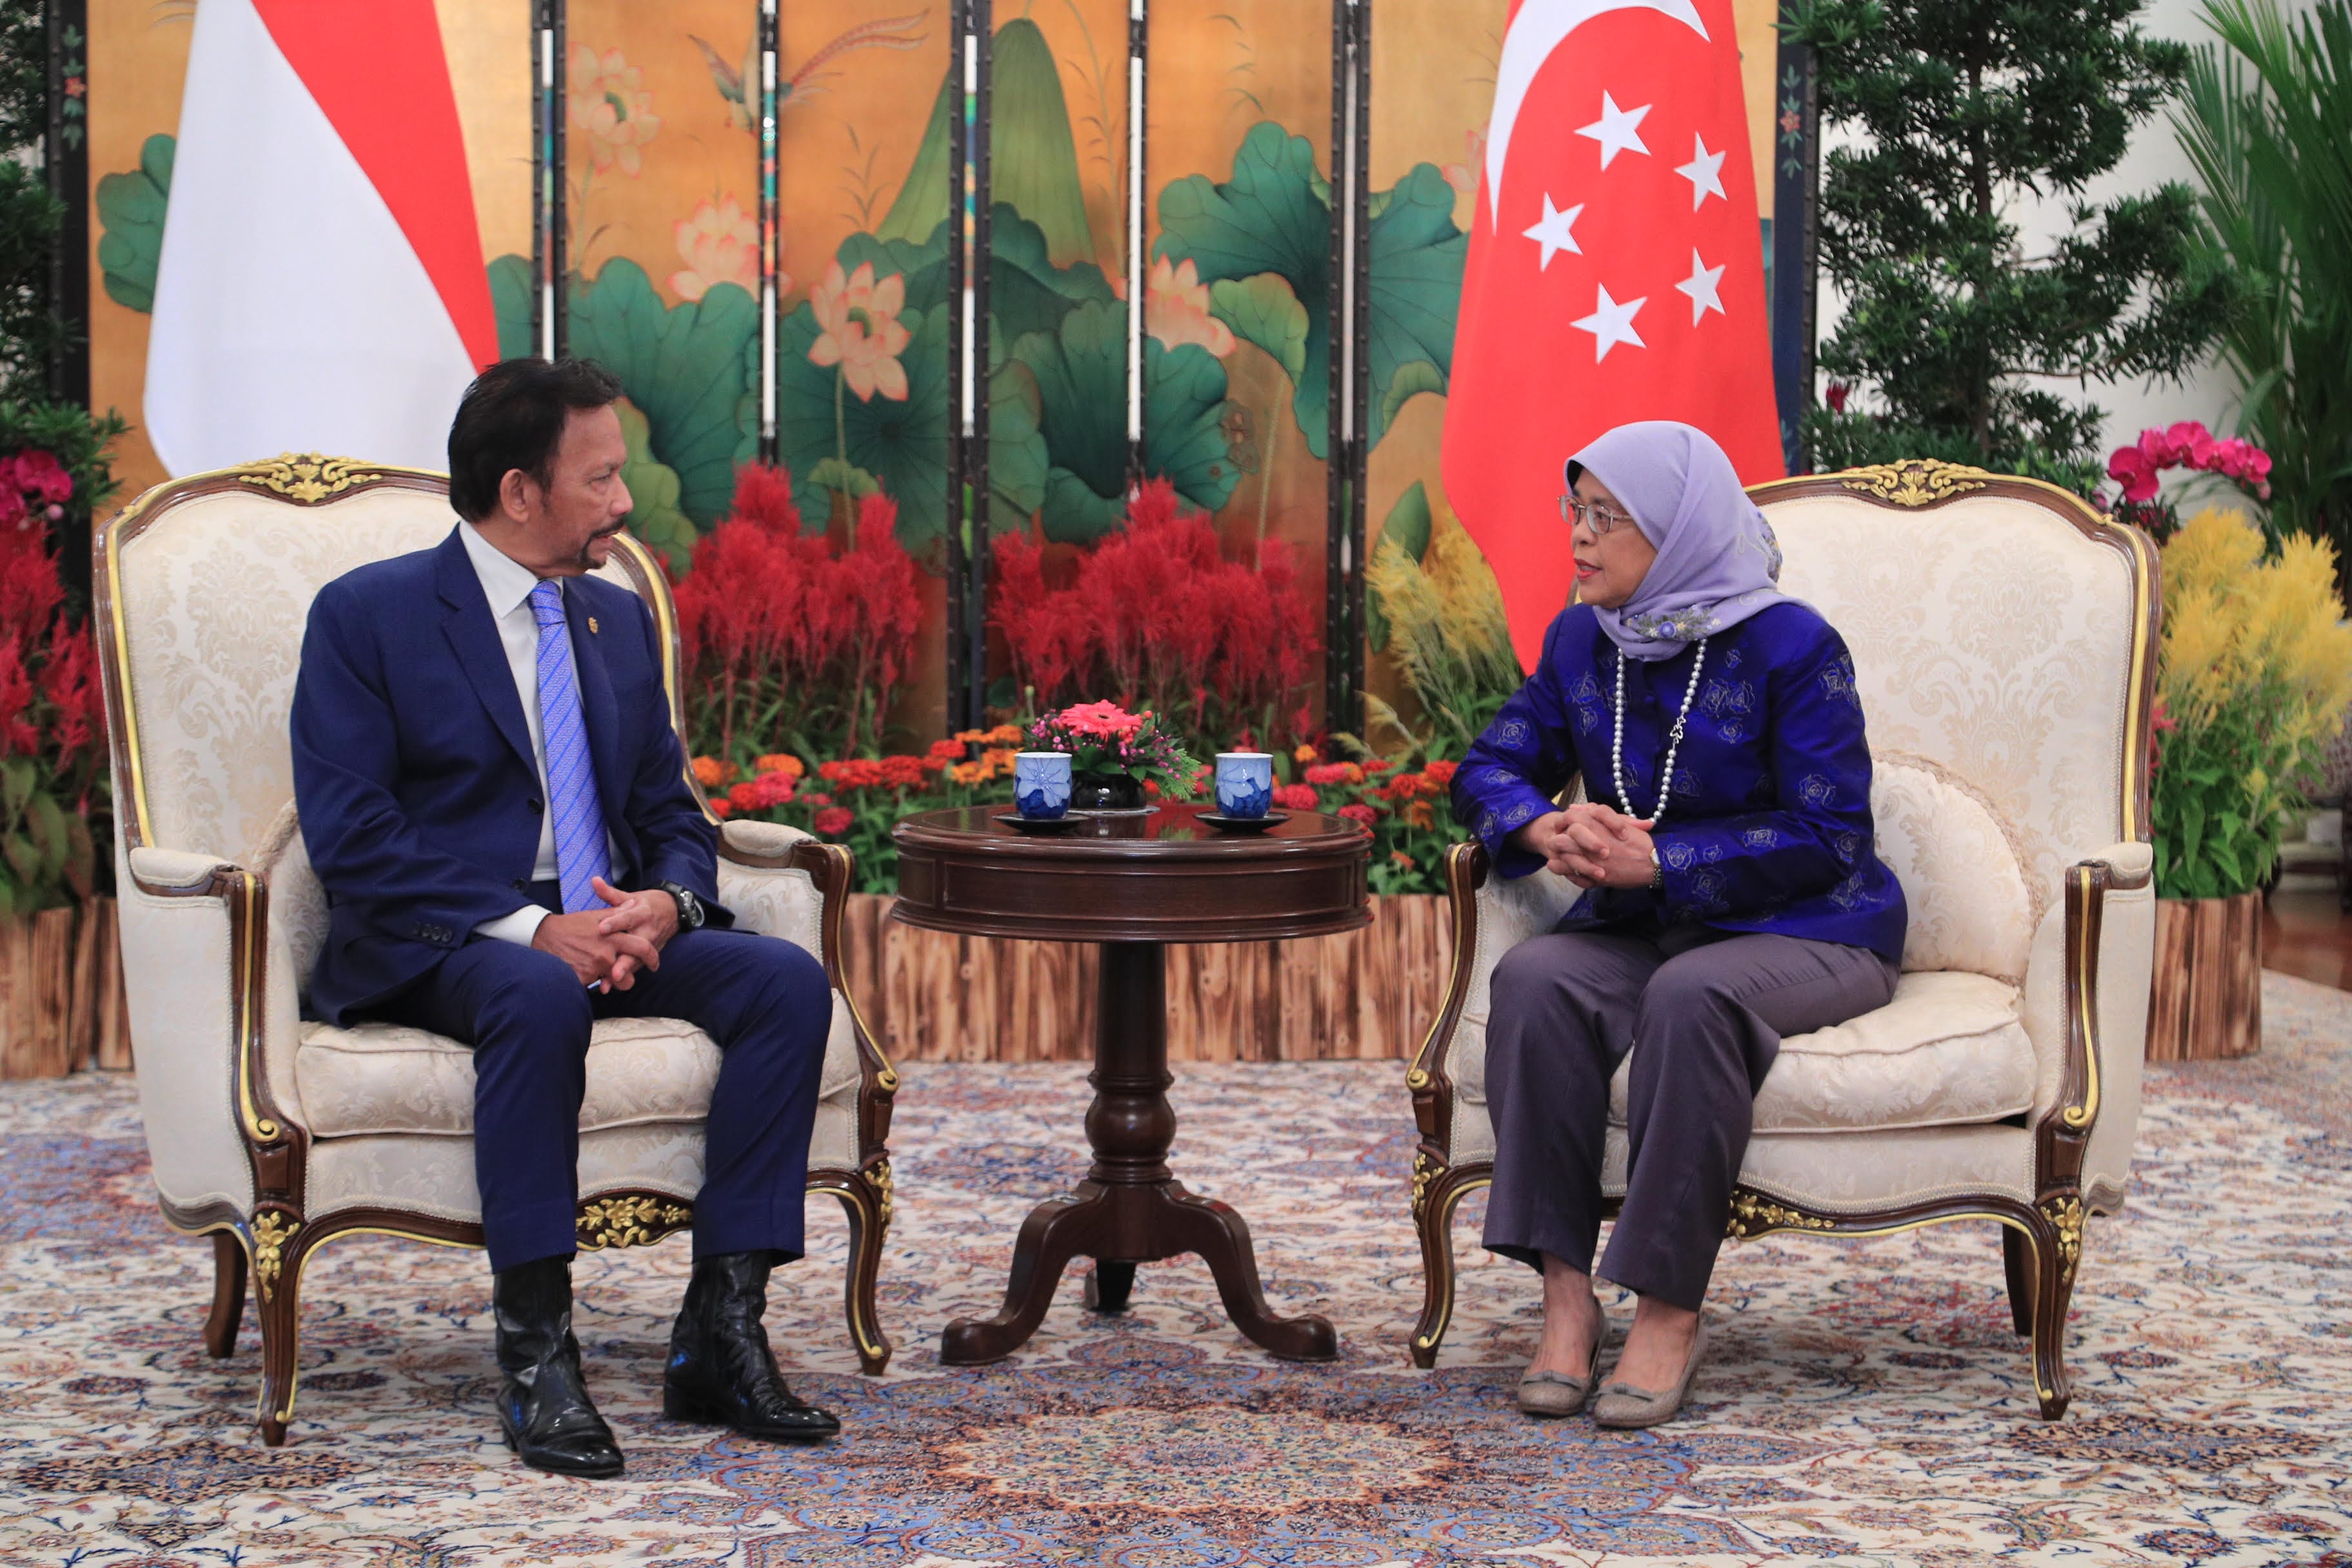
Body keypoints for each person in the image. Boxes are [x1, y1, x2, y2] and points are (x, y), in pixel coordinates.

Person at [291, 357, 839, 1478]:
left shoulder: (616, 618)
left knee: (784, 980)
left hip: (602, 913)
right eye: (600, 479)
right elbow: (354, 837)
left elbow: (666, 808)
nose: (623, 502)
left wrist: (665, 906)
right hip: (448, 938)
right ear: (519, 491)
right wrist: (533, 930)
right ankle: (538, 1352)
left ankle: (720, 1334)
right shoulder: (370, 618)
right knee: (541, 993)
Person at [1450, 420, 1905, 1429]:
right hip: (1649, 924)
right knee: (1536, 981)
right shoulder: (1582, 640)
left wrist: (1665, 858)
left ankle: (1666, 1312)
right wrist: (1542, 822)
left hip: (1813, 928)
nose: (1579, 536)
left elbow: (1832, 834)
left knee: (1690, 996)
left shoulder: (1794, 645)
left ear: (1680, 530)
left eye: (1607, 517)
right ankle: (1566, 1305)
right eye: (1576, 509)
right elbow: (1486, 766)